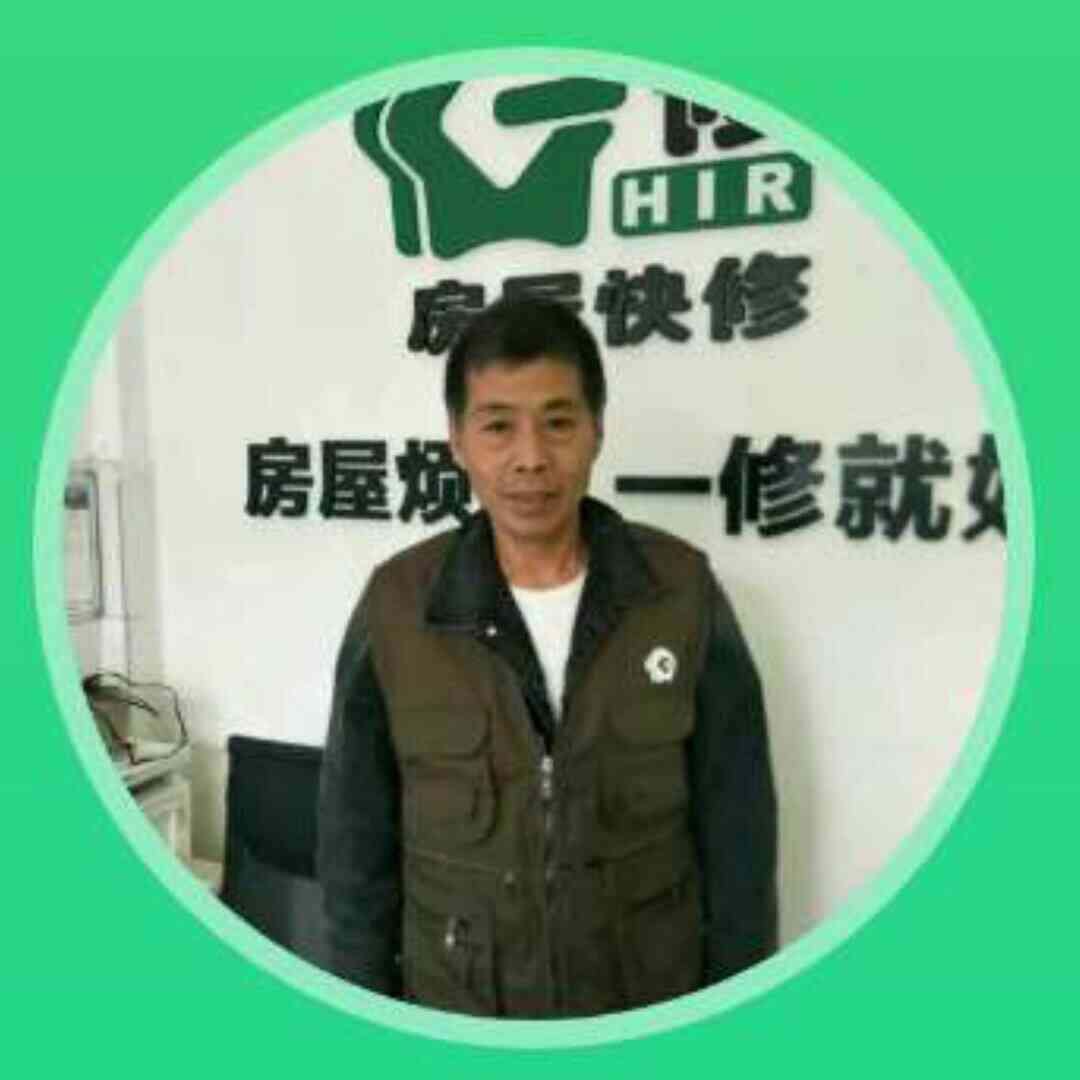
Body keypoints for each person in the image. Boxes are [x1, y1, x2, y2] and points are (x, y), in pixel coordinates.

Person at [316, 297, 777, 1017]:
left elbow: (739, 826)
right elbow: (354, 845)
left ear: (597, 431)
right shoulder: (399, 605)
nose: (531, 457)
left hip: (646, 1002)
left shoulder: (681, 593)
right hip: (461, 1007)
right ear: (457, 441)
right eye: (498, 425)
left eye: (558, 422)